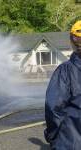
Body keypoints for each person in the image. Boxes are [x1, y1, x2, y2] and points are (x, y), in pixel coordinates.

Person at [44, 20, 81, 150]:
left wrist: (52, 136)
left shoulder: (65, 71)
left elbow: (54, 108)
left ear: (71, 42)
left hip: (70, 142)